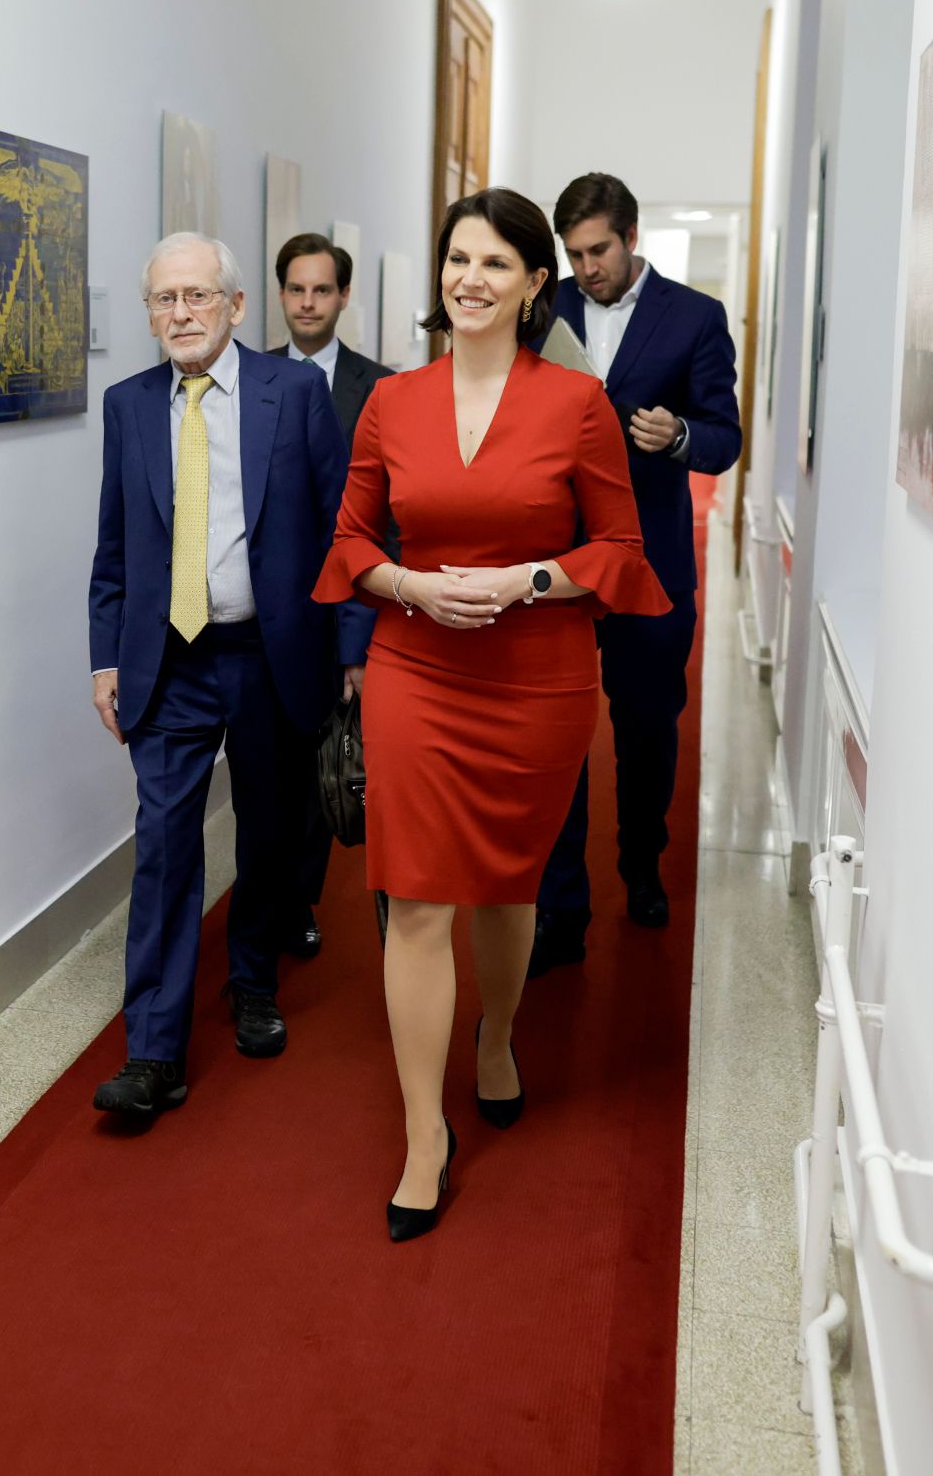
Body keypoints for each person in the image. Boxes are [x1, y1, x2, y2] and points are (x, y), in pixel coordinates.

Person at [313, 189, 668, 1239]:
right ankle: (424, 1132)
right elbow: (349, 540)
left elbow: (619, 549)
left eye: (495, 263)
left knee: (509, 884)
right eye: (457, 258)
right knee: (417, 898)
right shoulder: (392, 403)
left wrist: (527, 579)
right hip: (415, 669)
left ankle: (498, 1034)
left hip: (534, 677)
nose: (470, 279)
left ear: (532, 284)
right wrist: (411, 587)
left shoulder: (578, 404)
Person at [88, 232, 351, 1123]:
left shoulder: (295, 393)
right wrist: (105, 655)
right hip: (169, 662)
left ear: (236, 306)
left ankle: (251, 980)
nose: (182, 313)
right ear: (149, 314)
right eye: (165, 299)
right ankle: (153, 1050)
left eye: (198, 295)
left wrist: (351, 650)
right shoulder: (128, 406)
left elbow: (339, 526)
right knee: (164, 845)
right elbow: (115, 544)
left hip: (269, 654)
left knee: (268, 832)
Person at [529, 174, 743, 974]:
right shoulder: (543, 310)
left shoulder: (695, 316)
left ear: (631, 236)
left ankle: (642, 862)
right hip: (556, 557)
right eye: (575, 254)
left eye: (599, 251)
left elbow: (724, 437)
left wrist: (679, 434)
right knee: (557, 733)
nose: (587, 268)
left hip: (651, 560)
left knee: (647, 726)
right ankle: (562, 905)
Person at [269, 232, 392, 956]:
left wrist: (361, 638)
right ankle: (273, 895)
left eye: (322, 290)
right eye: (296, 289)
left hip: (337, 607)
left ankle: (299, 900)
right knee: (269, 771)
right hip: (267, 611)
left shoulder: (381, 388)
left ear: (344, 296)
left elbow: (385, 519)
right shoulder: (250, 376)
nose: (308, 303)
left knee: (322, 765)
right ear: (280, 294)